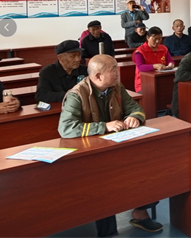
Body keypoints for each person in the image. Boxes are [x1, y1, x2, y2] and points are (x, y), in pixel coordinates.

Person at [58, 54, 162, 236]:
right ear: (98, 76)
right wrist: (104, 126)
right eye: (113, 70)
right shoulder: (77, 94)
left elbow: (136, 108)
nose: (117, 72)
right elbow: (65, 128)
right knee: (103, 186)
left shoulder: (116, 87)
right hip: (91, 153)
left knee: (147, 167)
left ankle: (140, 212)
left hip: (117, 146)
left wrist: (134, 117)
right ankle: (107, 232)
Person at [132, 26, 174, 93]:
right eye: (155, 39)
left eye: (159, 39)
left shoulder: (163, 48)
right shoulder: (140, 51)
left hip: (161, 80)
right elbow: (140, 67)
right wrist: (155, 66)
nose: (157, 41)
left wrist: (171, 64)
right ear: (148, 37)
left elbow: (170, 61)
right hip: (143, 83)